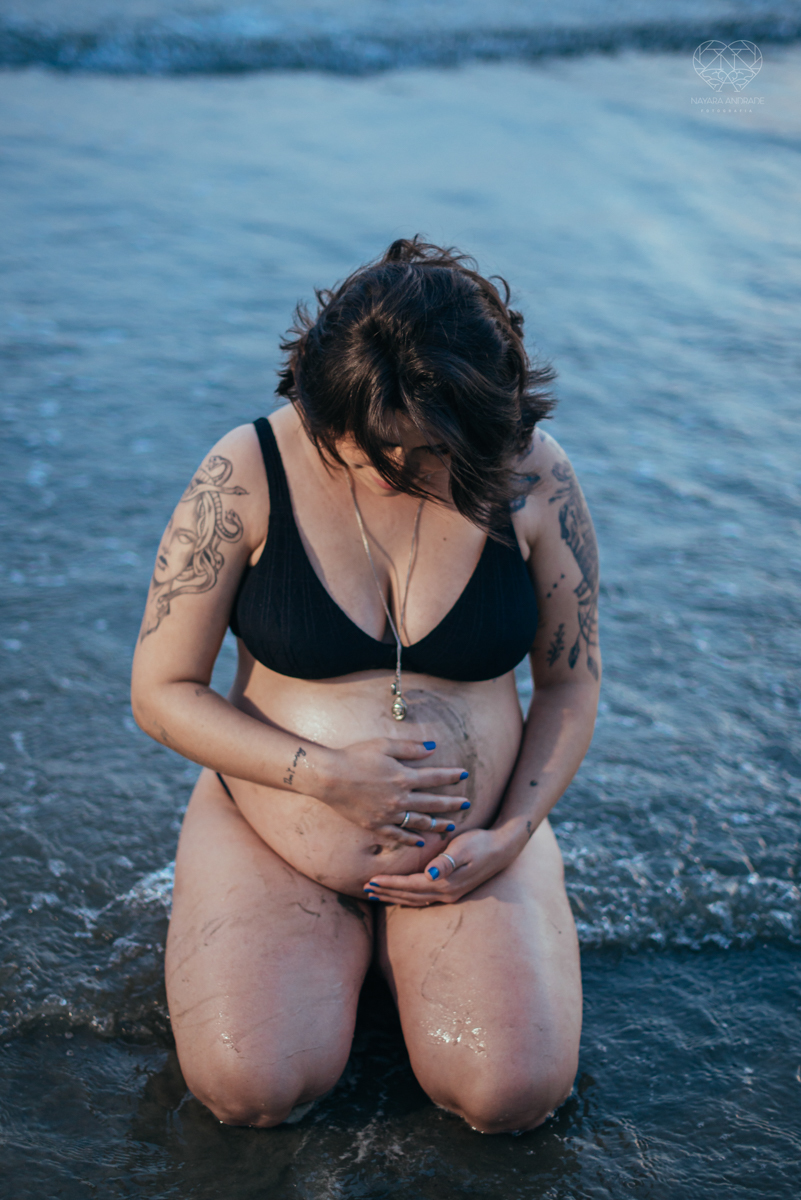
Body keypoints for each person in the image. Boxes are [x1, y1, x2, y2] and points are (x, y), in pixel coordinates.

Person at [131, 237, 601, 1134]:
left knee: (511, 1096)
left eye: (416, 450)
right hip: (270, 830)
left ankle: (413, 958)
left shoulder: (534, 474)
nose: (381, 469)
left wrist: (508, 833)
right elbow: (161, 690)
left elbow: (570, 686)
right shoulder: (246, 471)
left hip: (472, 847)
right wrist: (325, 778)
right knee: (251, 1090)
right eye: (356, 442)